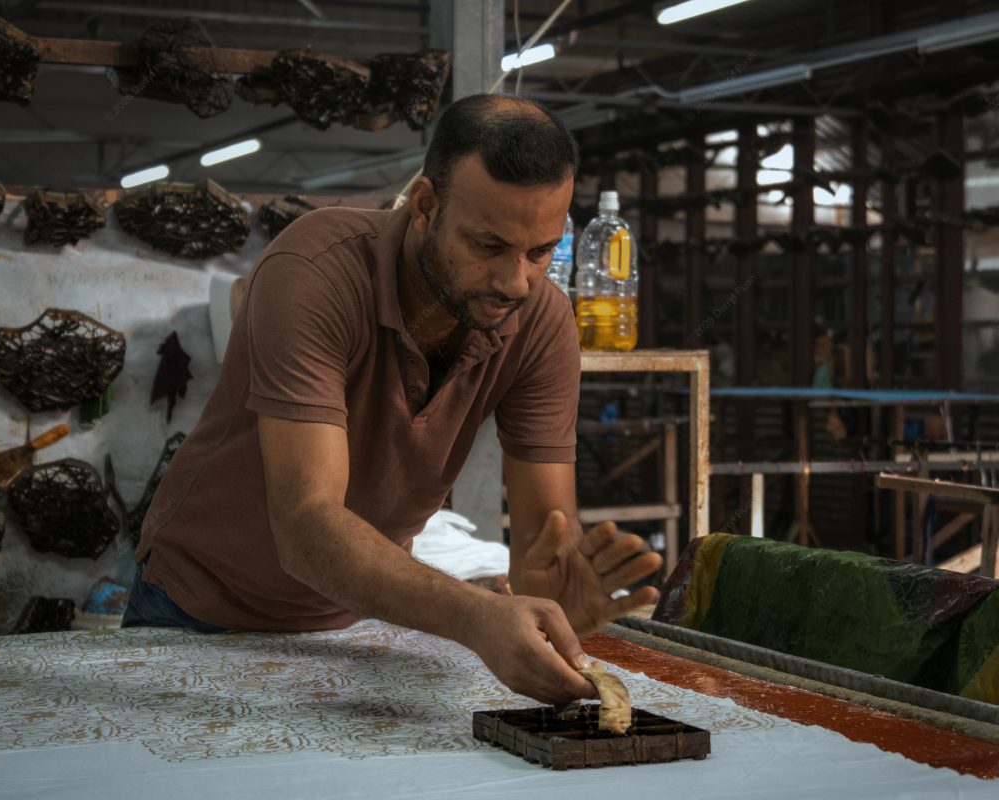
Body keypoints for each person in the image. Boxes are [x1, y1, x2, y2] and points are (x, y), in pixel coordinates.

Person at [125, 94, 662, 704]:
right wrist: (473, 614)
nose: (516, 281)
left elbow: (547, 531)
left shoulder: (540, 320)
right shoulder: (314, 272)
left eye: (540, 252)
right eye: (488, 246)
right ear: (426, 206)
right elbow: (305, 525)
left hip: (357, 625)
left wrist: (553, 592)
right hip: (199, 611)